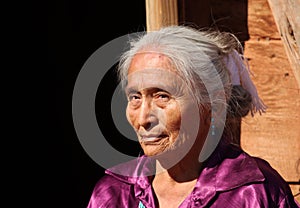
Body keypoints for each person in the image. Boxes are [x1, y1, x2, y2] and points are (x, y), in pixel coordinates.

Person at [87, 25, 300, 208]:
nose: (143, 119)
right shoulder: (114, 194)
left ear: (213, 105)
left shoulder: (254, 194)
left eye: (162, 96)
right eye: (135, 97)